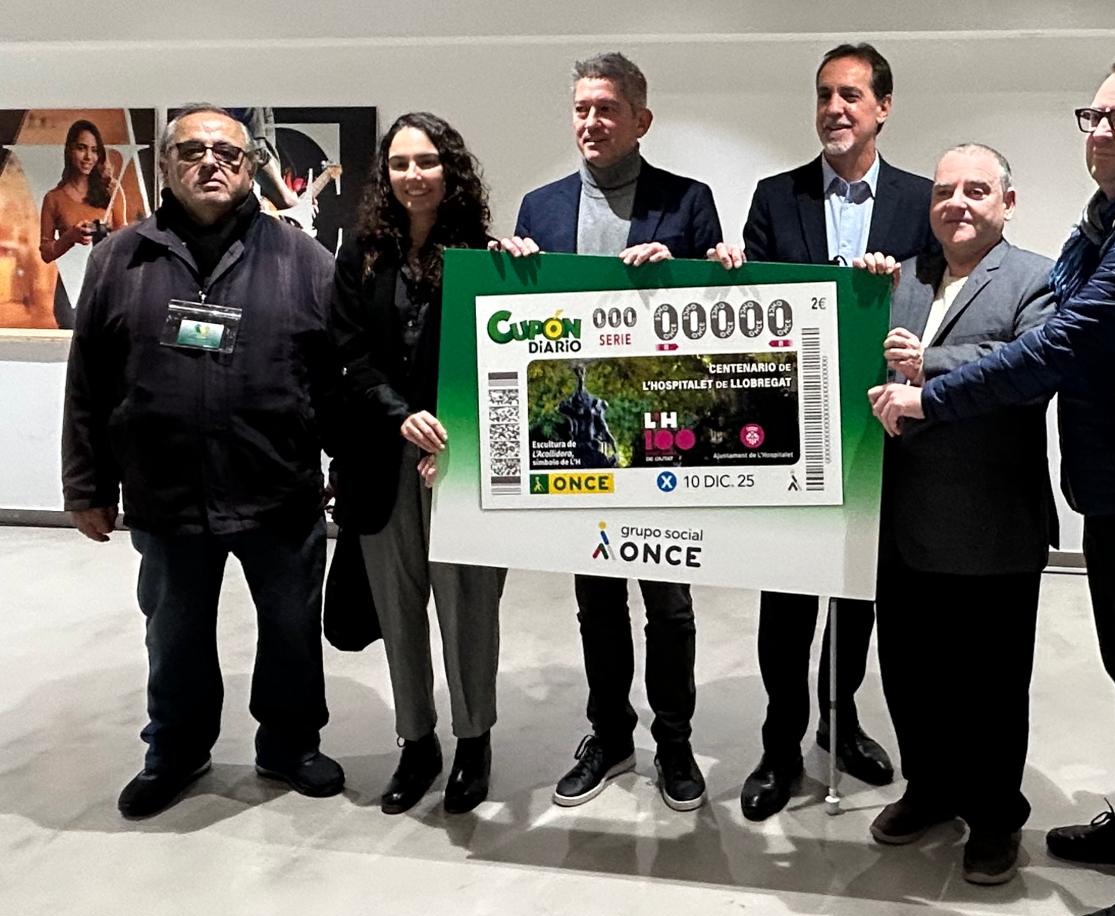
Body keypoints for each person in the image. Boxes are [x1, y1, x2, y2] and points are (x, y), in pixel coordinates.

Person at [869, 59, 1115, 916]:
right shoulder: (1110, 222)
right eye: (1095, 115)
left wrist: (934, 390)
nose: (1103, 130)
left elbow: (1064, 342)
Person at [61, 102, 344, 819]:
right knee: (175, 633)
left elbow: (337, 377)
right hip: (167, 496)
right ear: (166, 165)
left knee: (289, 629)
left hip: (279, 493)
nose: (211, 163)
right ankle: (177, 751)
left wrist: (349, 470)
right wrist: (85, 484)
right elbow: (89, 380)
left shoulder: (303, 261)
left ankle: (289, 743)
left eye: (228, 153)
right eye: (192, 152)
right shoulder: (120, 258)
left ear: (251, 166)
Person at [709, 42, 939, 823]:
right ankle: (781, 744)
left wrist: (897, 290)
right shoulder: (776, 199)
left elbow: (942, 302)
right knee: (788, 600)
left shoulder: (920, 200)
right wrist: (731, 270)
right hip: (788, 436)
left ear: (883, 106)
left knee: (857, 593)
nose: (834, 109)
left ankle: (841, 722)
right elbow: (750, 321)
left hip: (881, 434)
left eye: (850, 95)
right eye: (823, 96)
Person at [498, 52, 721, 812]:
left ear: (641, 120)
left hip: (656, 435)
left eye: (606, 109)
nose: (591, 122)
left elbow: (713, 323)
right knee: (595, 601)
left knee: (670, 604)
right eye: (581, 109)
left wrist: (687, 266)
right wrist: (512, 268)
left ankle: (677, 739)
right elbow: (518, 327)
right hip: (578, 439)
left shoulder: (689, 202)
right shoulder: (541, 207)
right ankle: (609, 733)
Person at [859, 143, 1054, 884]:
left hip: (991, 523)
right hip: (901, 522)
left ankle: (996, 814)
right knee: (911, 671)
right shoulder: (901, 278)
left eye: (977, 190)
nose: (958, 203)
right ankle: (931, 789)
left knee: (992, 685)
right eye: (945, 191)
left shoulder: (1036, 276)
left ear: (1007, 202)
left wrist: (928, 367)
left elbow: (1032, 367)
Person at [328, 112, 508, 816]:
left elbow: (501, 362)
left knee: (468, 611)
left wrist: (457, 432)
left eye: (427, 161)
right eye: (400, 163)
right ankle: (417, 742)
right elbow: (346, 351)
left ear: (450, 169)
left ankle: (474, 740)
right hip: (382, 459)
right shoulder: (360, 254)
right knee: (399, 612)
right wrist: (397, 414)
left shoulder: (485, 255)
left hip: (460, 464)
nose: (413, 175)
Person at [39, 119, 131, 328]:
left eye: (94, 150)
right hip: (71, 289)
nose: (89, 157)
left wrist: (107, 238)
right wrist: (70, 237)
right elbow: (46, 252)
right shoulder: (54, 198)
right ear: (70, 150)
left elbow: (124, 240)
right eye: (81, 148)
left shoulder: (111, 191)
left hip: (107, 284)